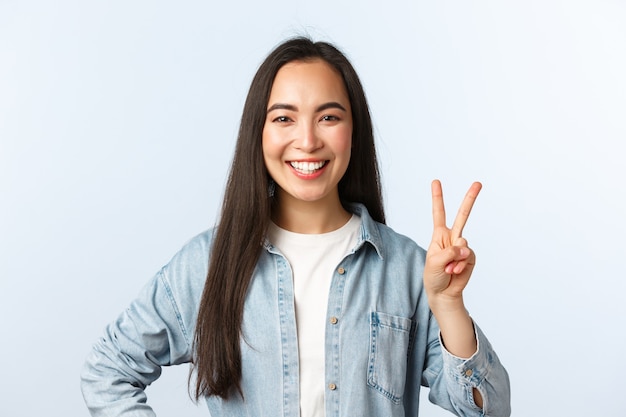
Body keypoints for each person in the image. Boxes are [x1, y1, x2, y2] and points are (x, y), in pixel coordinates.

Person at [81, 37, 511, 416]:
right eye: (284, 118)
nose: (307, 140)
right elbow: (108, 370)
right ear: (259, 133)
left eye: (328, 117)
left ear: (353, 133)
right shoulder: (208, 264)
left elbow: (489, 410)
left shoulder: (406, 268)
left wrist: (449, 303)